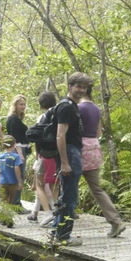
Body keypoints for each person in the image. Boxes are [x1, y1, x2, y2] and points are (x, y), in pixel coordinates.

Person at [44, 72, 91, 246]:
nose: (81, 90)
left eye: (84, 87)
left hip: (72, 152)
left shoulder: (71, 106)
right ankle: (63, 236)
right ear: (70, 86)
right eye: (78, 86)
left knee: (66, 196)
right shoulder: (66, 107)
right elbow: (60, 135)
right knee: (70, 197)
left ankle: (56, 232)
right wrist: (64, 162)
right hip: (69, 154)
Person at [79, 85, 126, 238]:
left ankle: (62, 226)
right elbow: (98, 132)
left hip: (80, 149)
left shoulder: (78, 108)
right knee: (97, 189)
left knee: (68, 187)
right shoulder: (96, 108)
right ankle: (116, 221)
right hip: (94, 148)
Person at [28, 91, 55, 222]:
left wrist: (37, 156)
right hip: (57, 155)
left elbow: (37, 137)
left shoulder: (42, 118)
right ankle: (54, 212)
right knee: (55, 184)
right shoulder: (59, 115)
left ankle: (49, 213)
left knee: (40, 185)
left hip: (43, 154)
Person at [6, 95, 30, 211]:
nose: (23, 106)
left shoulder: (16, 119)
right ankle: (16, 204)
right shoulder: (14, 119)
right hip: (18, 150)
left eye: (24, 104)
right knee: (19, 176)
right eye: (21, 104)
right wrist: (20, 154)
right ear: (15, 105)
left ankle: (14, 203)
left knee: (17, 176)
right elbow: (15, 138)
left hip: (19, 150)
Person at [0, 135, 23, 205]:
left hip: (2, 182)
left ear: (3, 145)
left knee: (3, 201)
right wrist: (19, 181)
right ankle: (8, 211)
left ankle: (3, 212)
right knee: (11, 201)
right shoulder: (16, 156)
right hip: (13, 182)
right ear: (14, 145)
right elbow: (17, 169)